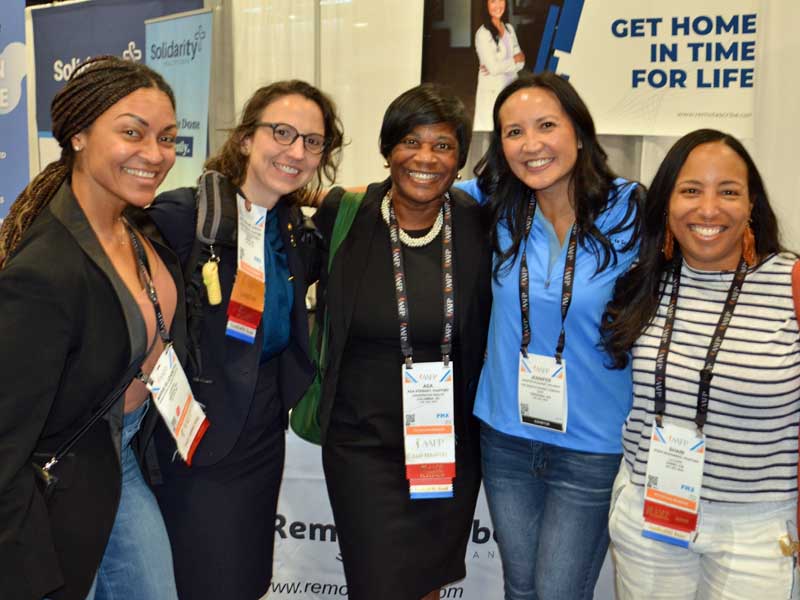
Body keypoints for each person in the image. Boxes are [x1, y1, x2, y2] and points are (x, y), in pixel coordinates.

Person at [146, 80, 344, 600]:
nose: (296, 151)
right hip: (194, 437)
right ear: (244, 139)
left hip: (261, 432)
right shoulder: (185, 217)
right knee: (199, 580)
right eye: (281, 133)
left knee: (248, 578)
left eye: (312, 141)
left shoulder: (295, 232)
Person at [0, 56, 182, 600]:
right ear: (78, 135)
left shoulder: (134, 223)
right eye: (132, 132)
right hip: (60, 483)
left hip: (120, 457)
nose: (155, 154)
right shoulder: (44, 273)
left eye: (168, 138)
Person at [456, 71, 642, 600]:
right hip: (506, 434)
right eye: (513, 132)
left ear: (578, 132)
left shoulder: (631, 210)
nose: (530, 145)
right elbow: (413, 185)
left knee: (558, 591)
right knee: (520, 588)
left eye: (545, 126)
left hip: (593, 442)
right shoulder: (491, 203)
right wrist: (298, 187)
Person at [602, 129, 799, 599]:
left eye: (728, 192)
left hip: (753, 527)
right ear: (667, 202)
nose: (708, 210)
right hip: (651, 512)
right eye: (691, 190)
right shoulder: (643, 281)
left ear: (751, 204)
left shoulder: (790, 283)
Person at [312, 83, 491, 600]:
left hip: (446, 446)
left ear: (459, 159)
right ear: (388, 149)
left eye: (443, 145)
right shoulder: (346, 218)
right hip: (361, 448)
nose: (426, 158)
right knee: (380, 585)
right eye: (411, 141)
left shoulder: (479, 225)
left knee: (426, 584)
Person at [473, 0, 525, 132]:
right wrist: (513, 60)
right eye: (493, 1)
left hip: (511, 85)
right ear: (485, 5)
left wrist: (505, 64)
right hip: (492, 90)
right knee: (492, 132)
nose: (498, 6)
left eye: (501, 0)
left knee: (512, 130)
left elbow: (522, 63)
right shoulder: (482, 34)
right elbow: (494, 68)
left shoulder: (509, 29)